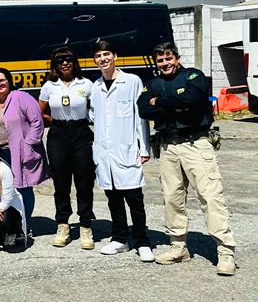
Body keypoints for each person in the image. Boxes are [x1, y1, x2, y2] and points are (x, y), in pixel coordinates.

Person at [138, 42, 237, 276]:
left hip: (196, 144)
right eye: (160, 60)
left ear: (177, 58)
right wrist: (173, 105)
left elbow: (191, 100)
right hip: (168, 146)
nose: (165, 63)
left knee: (210, 197)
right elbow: (143, 109)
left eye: (168, 58)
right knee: (172, 198)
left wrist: (158, 102)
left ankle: (225, 252)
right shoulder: (153, 83)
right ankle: (178, 247)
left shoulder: (194, 76)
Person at [90, 40, 154, 262]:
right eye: (99, 56)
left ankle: (142, 241)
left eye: (106, 54)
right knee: (113, 199)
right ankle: (120, 239)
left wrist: (144, 148)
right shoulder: (96, 86)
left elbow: (140, 118)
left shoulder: (132, 81)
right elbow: (94, 115)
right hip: (104, 152)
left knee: (134, 199)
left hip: (127, 149)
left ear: (115, 56)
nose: (103, 59)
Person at [38, 46, 96, 250]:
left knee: (84, 181)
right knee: (61, 182)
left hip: (80, 132)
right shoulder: (49, 86)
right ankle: (63, 224)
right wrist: (53, 121)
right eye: (60, 61)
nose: (65, 64)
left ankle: (85, 225)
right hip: (58, 134)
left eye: (68, 60)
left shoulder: (86, 84)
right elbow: (40, 111)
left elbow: (94, 108)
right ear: (55, 65)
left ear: (74, 62)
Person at [0, 67, 47, 227]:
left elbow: (37, 122)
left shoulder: (21, 97)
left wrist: (29, 144)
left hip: (20, 151)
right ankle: (11, 222)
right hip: (1, 153)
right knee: (6, 188)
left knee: (23, 187)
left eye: (2, 80)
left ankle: (24, 223)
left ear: (9, 81)